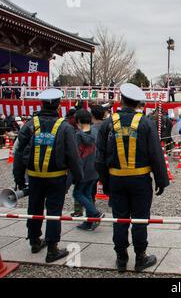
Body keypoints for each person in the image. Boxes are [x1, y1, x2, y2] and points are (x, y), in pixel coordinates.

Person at [96, 83, 170, 272]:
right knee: (139, 219)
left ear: (121, 100)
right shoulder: (146, 123)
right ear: (138, 103)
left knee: (120, 219)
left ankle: (121, 258)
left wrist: (105, 182)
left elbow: (100, 157)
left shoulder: (108, 123)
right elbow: (156, 154)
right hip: (140, 179)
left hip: (116, 179)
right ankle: (140, 257)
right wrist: (161, 180)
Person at [13, 89, 83, 263]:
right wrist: (78, 177)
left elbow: (19, 152)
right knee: (53, 211)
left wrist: (19, 177)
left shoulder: (30, 124)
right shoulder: (65, 127)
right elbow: (73, 156)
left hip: (34, 176)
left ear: (42, 104)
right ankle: (52, 248)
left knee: (34, 207)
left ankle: (34, 240)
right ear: (58, 106)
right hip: (57, 177)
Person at [73, 109, 105, 231]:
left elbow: (76, 155)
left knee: (78, 193)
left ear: (79, 121)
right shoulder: (96, 132)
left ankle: (95, 214)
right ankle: (89, 221)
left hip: (83, 169)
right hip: (95, 168)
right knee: (87, 193)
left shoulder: (78, 136)